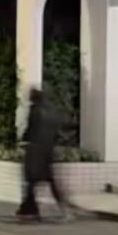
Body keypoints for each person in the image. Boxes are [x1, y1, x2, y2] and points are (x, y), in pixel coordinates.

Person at [17, 87, 68, 220]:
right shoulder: (50, 111)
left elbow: (30, 129)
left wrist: (23, 139)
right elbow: (56, 132)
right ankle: (60, 208)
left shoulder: (35, 110)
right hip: (47, 151)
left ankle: (29, 209)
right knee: (49, 180)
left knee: (31, 181)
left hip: (35, 152)